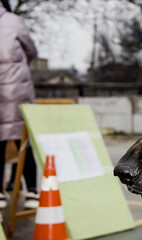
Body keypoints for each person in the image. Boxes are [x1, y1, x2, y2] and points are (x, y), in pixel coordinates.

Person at [0, 0, 39, 209]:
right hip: (16, 90)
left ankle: (0, 192)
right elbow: (31, 50)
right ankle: (33, 190)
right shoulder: (13, 21)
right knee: (23, 140)